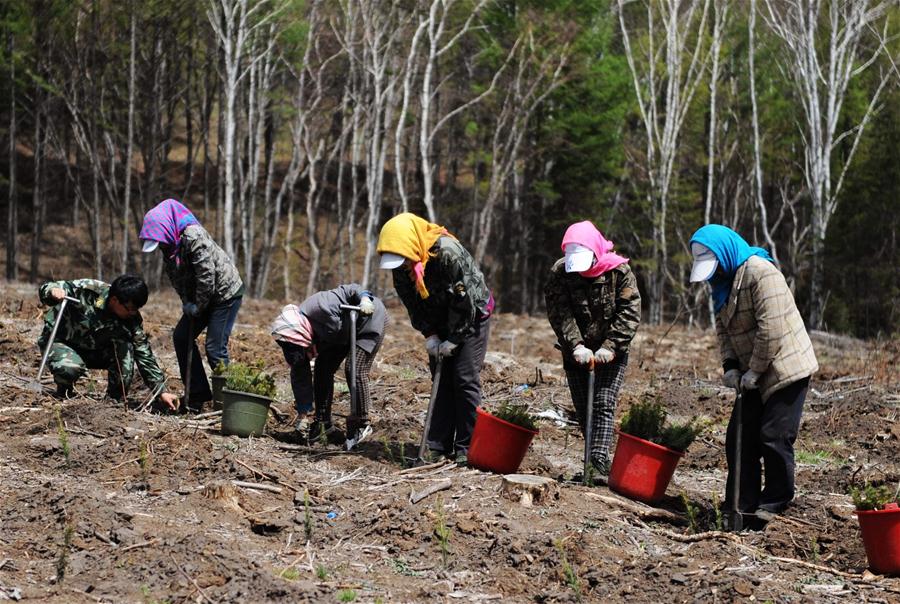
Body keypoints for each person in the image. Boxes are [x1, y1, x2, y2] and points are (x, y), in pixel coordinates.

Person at [689, 224, 818, 526]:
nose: (713, 273)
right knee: (739, 437)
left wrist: (756, 371)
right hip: (751, 371)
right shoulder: (720, 283)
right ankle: (740, 504)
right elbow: (722, 330)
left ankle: (775, 500)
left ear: (725, 253)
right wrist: (730, 367)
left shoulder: (761, 273)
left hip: (786, 367)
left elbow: (771, 329)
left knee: (774, 436)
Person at [377, 212, 493, 466]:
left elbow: (466, 302)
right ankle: (437, 445)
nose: (402, 265)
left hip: (471, 316)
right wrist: (430, 334)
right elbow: (412, 303)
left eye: (405, 260)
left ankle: (466, 446)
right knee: (441, 381)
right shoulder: (401, 266)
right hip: (439, 320)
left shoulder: (447, 253)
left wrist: (454, 339)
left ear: (412, 246)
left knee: (463, 378)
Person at [544, 221, 642, 482]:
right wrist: (575, 345)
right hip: (575, 351)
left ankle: (598, 466)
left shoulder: (619, 272)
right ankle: (591, 462)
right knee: (584, 406)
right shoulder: (559, 273)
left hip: (612, 351)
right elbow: (560, 312)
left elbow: (629, 312)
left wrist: (611, 347)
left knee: (603, 402)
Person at [139, 199, 244, 412]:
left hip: (224, 295)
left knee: (215, 348)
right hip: (200, 298)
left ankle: (227, 403)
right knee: (181, 336)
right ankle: (197, 394)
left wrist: (199, 306)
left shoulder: (193, 236)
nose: (160, 246)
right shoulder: (168, 245)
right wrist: (186, 302)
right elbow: (177, 278)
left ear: (166, 228)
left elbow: (207, 276)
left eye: (159, 241)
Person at [37, 274, 179, 410]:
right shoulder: (89, 290)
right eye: (130, 309)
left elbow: (143, 353)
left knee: (126, 348)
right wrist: (52, 291)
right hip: (62, 343)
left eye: (137, 309)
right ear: (115, 300)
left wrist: (161, 390)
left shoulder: (131, 319)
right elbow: (48, 288)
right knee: (69, 368)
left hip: (95, 350)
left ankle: (114, 401)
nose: (133, 313)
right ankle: (63, 392)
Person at [270, 285, 386, 444]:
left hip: (368, 320)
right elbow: (299, 373)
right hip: (340, 334)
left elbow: (350, 289)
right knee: (322, 368)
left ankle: (362, 423)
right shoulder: (296, 340)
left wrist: (364, 297)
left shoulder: (320, 306)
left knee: (354, 369)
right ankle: (323, 424)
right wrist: (303, 414)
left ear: (298, 334)